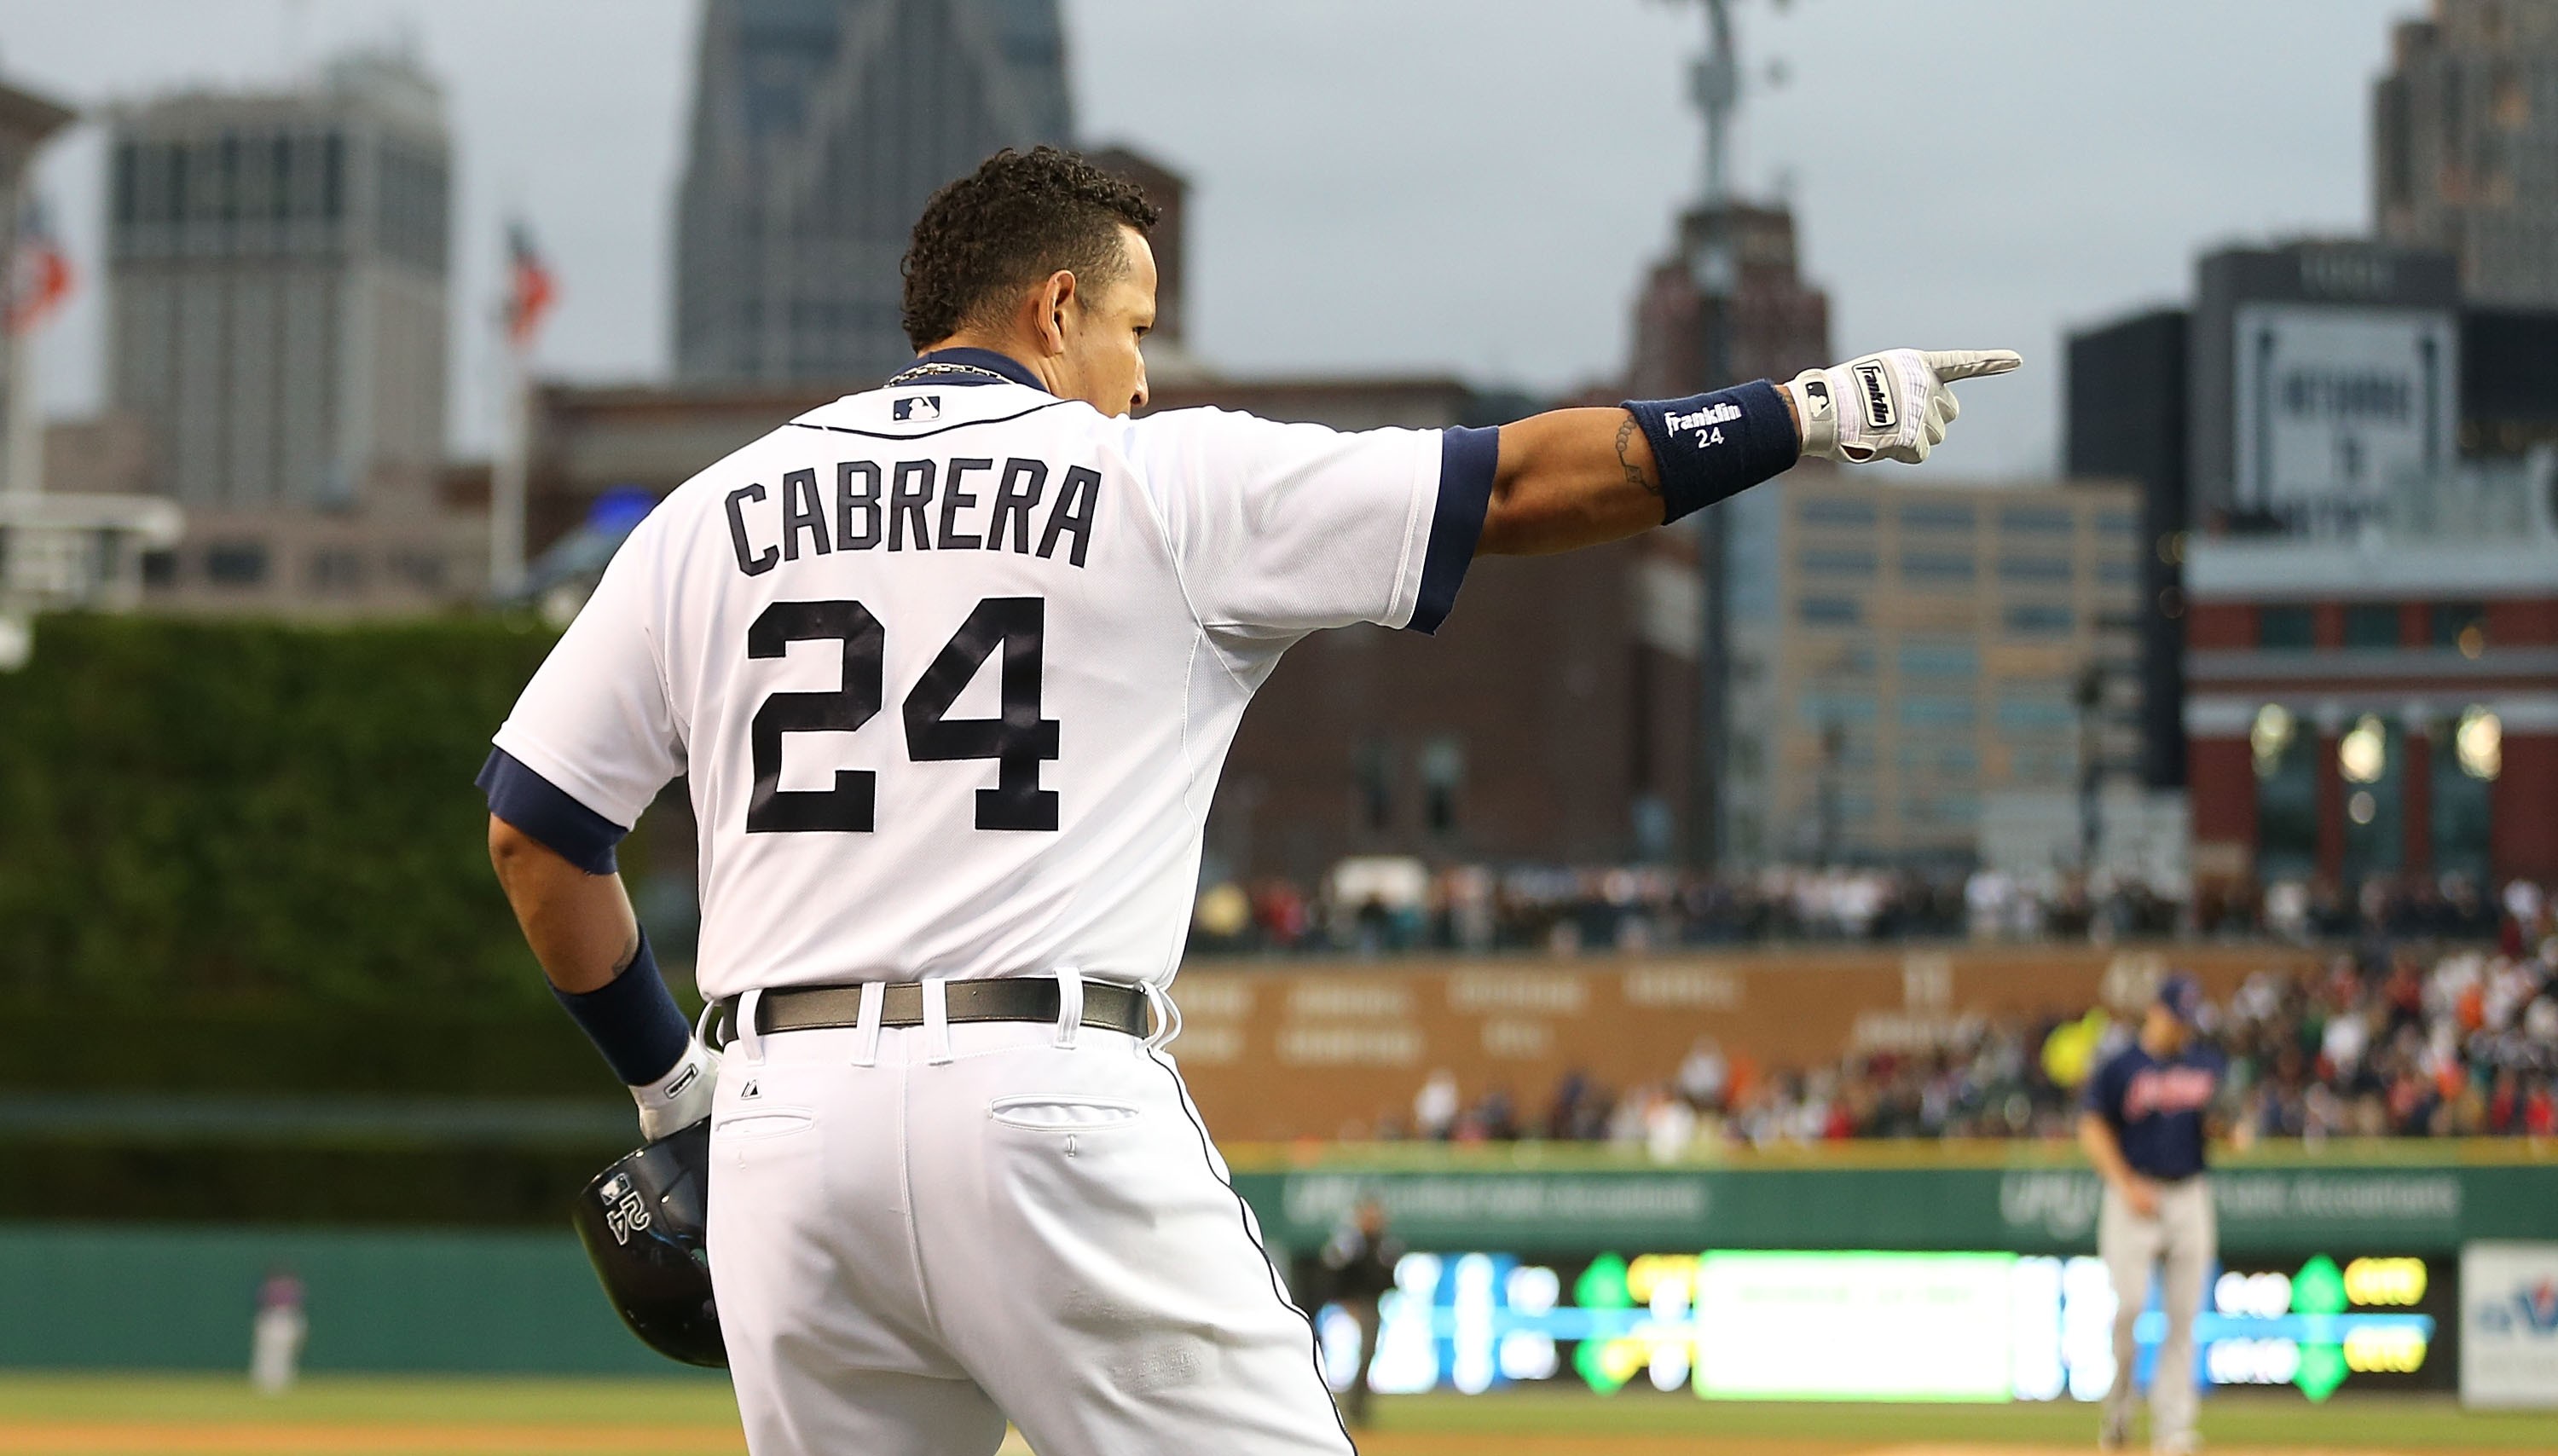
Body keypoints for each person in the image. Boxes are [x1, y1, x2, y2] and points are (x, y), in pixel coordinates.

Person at [478, 144, 2017, 1455]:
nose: (1144, 372)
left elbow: (536, 830)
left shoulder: (710, 515)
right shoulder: (1160, 482)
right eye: (1136, 323)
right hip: (1043, 1093)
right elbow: (1530, 484)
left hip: (780, 1128)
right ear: (1057, 304)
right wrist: (1807, 414)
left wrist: (670, 1085)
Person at [2078, 974, 2225, 1454]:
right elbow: (2091, 1128)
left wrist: (2231, 1131)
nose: (2180, 1028)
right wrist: (2124, 1183)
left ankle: (2173, 1427)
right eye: (2174, 1016)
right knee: (2131, 1308)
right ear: (2155, 1011)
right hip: (2134, 1193)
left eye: (2186, 1019)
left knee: (2184, 1317)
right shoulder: (2121, 1065)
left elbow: (2216, 1122)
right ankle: (2118, 1413)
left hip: (2188, 1194)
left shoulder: (2204, 1063)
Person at [1317, 1197, 1403, 1428]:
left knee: (1367, 1354)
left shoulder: (1383, 1243)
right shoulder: (1350, 1242)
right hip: (1347, 1304)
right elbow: (1333, 1272)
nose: (1374, 1220)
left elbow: (1389, 1276)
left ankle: (1357, 1407)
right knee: (1336, 1356)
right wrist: (1344, 1300)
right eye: (1369, 1215)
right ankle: (1333, 1406)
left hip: (1372, 1304)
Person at [250, 1265, 306, 1395]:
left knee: (283, 1354)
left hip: (285, 1318)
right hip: (273, 1317)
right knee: (268, 1353)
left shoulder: (293, 1287)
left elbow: (298, 1304)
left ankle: (280, 1382)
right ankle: (265, 1382)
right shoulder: (271, 1287)